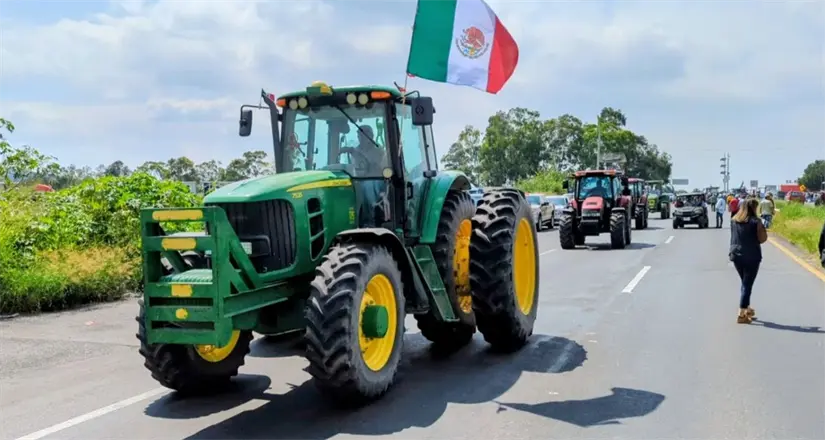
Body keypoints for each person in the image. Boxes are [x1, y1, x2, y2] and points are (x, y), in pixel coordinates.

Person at [729, 198, 768, 324]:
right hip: (751, 256)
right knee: (747, 284)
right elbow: (762, 239)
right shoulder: (756, 221)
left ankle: (747, 308)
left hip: (736, 255)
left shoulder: (734, 220)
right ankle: (741, 313)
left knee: (745, 282)